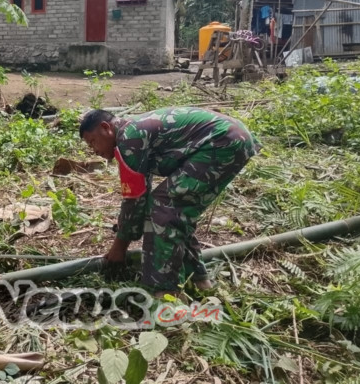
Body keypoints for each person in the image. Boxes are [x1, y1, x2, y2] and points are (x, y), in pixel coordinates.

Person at [79, 107, 261, 294]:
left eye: (93, 142)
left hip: (222, 141)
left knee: (163, 207)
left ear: (106, 128)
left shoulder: (129, 139)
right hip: (231, 137)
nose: (94, 150)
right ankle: (198, 281)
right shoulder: (133, 132)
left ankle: (165, 292)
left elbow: (134, 200)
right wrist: (126, 234)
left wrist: (119, 248)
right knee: (174, 211)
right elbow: (140, 192)